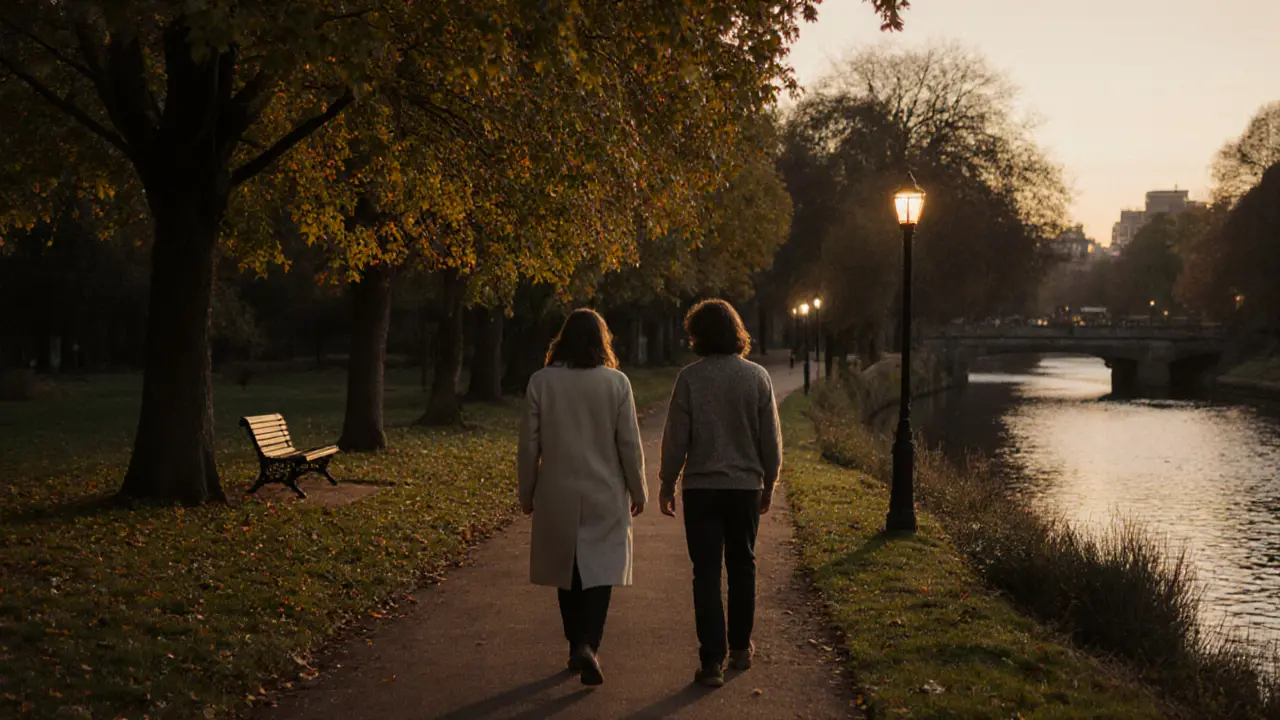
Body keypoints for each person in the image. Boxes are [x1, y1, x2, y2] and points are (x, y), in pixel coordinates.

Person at [517, 308, 647, 686]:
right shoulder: (617, 383)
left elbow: (528, 446)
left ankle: (575, 641)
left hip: (557, 490)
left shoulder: (542, 382)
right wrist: (638, 490)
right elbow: (629, 444)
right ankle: (589, 643)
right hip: (604, 491)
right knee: (600, 572)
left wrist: (527, 492)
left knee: (566, 570)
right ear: (600, 341)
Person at [659, 298, 782, 688]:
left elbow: (677, 436)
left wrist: (666, 480)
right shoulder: (757, 377)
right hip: (745, 487)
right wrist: (770, 481)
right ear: (736, 332)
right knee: (743, 565)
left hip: (701, 488)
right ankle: (742, 649)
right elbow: (771, 440)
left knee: (706, 574)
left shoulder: (690, 378)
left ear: (697, 336)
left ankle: (711, 660)